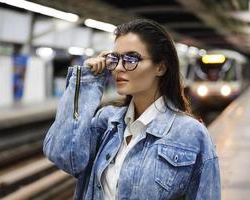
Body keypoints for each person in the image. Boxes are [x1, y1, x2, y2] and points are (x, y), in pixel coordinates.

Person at [43, 19, 221, 200]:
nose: (119, 68)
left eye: (131, 59)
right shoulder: (107, 122)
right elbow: (64, 155)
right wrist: (87, 80)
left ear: (160, 67)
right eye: (114, 59)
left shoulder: (191, 135)